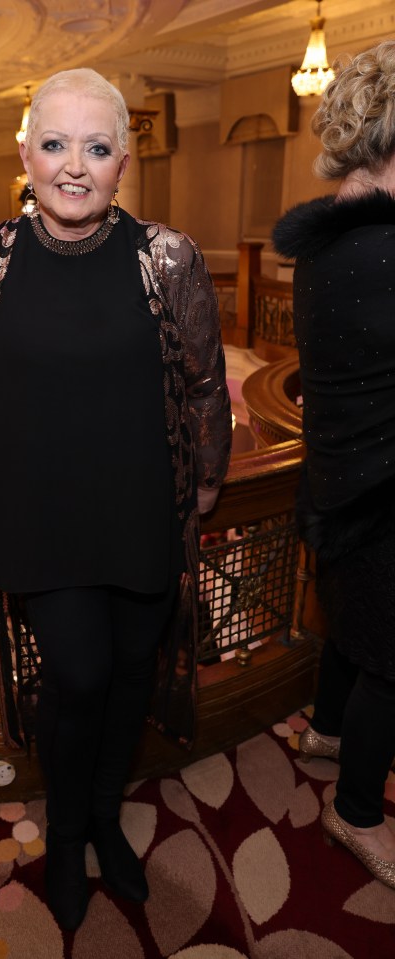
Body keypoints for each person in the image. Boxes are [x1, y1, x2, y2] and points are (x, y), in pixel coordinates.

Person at [0, 68, 232, 928]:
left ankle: (105, 813)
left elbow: (206, 383)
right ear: (23, 154)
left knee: (131, 674)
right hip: (41, 517)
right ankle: (67, 834)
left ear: (123, 161)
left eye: (95, 148)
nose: (73, 166)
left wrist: (209, 478)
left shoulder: (167, 257)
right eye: (54, 144)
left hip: (144, 511)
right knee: (81, 673)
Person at [272, 40, 395, 890]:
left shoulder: (326, 243)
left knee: (353, 623)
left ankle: (323, 729)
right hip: (385, 485)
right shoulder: (386, 252)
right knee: (393, 657)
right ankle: (356, 814)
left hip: (340, 473)